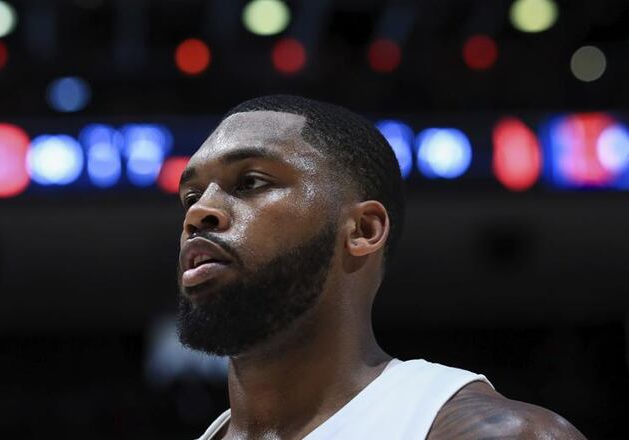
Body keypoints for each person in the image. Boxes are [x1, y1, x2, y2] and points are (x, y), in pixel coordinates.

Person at [176, 95, 586, 439]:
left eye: (250, 182)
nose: (200, 212)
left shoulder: (489, 433)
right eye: (191, 195)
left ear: (363, 230)